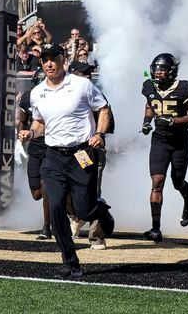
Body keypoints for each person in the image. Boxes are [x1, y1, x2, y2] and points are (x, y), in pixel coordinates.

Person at [19, 44, 115, 280]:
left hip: (81, 153)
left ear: (63, 61)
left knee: (83, 209)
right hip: (52, 156)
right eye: (45, 60)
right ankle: (70, 262)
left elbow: (104, 109)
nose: (49, 63)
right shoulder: (37, 92)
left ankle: (99, 209)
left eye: (53, 59)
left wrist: (100, 134)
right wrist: (31, 134)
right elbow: (39, 123)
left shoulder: (81, 85)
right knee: (56, 208)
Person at [140, 53, 188, 242]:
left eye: (162, 69)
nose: (158, 73)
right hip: (160, 140)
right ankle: (156, 228)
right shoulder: (149, 86)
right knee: (157, 181)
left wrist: (174, 120)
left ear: (172, 71)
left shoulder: (183, 88)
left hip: (180, 140)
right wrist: (147, 121)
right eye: (156, 69)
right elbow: (150, 103)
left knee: (177, 181)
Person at [16, 69, 51, 239]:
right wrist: (19, 139)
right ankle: (63, 207)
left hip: (51, 145)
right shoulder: (28, 97)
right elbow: (22, 120)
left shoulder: (56, 96)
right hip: (35, 146)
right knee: (36, 193)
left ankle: (47, 227)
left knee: (46, 190)